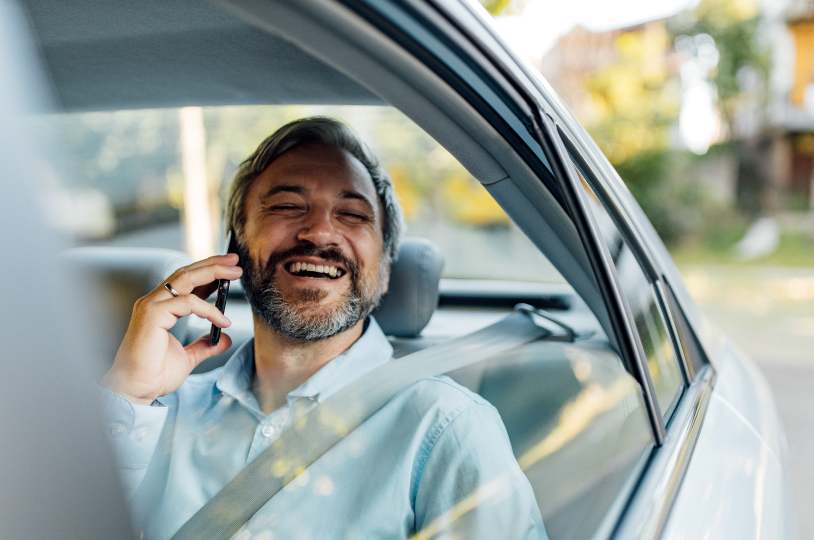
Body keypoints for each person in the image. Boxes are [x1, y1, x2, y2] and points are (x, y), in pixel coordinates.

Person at [99, 117, 547, 539]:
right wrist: (127, 395)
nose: (319, 233)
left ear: (385, 269)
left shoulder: (446, 427)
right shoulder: (150, 417)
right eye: (287, 206)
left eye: (352, 214)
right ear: (235, 248)